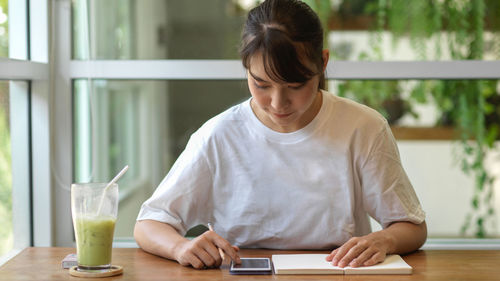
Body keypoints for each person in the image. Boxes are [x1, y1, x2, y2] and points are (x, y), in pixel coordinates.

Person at [134, 0, 427, 270]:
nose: (278, 103)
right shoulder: (218, 136)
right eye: (261, 84)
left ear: (322, 63)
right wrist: (180, 246)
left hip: (336, 273)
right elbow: (148, 224)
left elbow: (412, 226)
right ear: (245, 67)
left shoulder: (364, 128)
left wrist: (384, 240)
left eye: (296, 85)